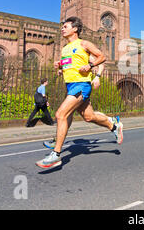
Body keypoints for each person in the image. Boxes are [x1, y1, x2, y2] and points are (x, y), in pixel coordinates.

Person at [36, 17, 123, 169]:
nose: (62, 28)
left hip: (81, 85)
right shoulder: (65, 48)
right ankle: (114, 126)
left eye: (66, 26)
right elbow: (70, 65)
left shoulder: (84, 43)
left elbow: (102, 57)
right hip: (71, 86)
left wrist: (90, 66)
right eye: (62, 26)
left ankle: (56, 154)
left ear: (75, 29)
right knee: (89, 117)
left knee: (60, 114)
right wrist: (60, 68)